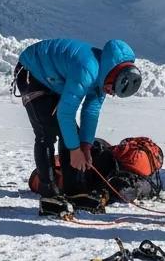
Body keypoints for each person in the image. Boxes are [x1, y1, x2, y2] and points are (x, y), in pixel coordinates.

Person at [14, 38, 142, 217]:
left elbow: (91, 111)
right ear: (114, 76)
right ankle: (49, 192)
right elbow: (65, 113)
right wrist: (75, 150)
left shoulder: (105, 75)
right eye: (112, 89)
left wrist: (85, 146)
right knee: (46, 133)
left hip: (55, 81)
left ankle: (74, 190)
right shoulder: (88, 68)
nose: (111, 93)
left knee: (69, 133)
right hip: (33, 71)